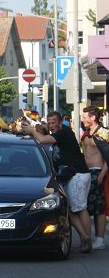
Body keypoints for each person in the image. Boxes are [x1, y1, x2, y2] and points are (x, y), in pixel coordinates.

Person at [23, 111, 93, 252]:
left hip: (77, 175)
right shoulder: (59, 133)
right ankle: (86, 238)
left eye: (54, 123)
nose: (51, 126)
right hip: (72, 175)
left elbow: (42, 140)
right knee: (73, 209)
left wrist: (31, 131)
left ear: (61, 122)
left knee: (79, 208)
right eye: (49, 123)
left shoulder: (64, 132)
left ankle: (86, 239)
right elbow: (43, 135)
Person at [81, 106, 108, 250]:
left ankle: (100, 239)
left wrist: (102, 174)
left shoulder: (103, 133)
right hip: (87, 172)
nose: (82, 119)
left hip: (98, 173)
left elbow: (108, 156)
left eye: (85, 117)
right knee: (89, 207)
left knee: (99, 208)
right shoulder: (86, 133)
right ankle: (91, 237)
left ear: (93, 118)